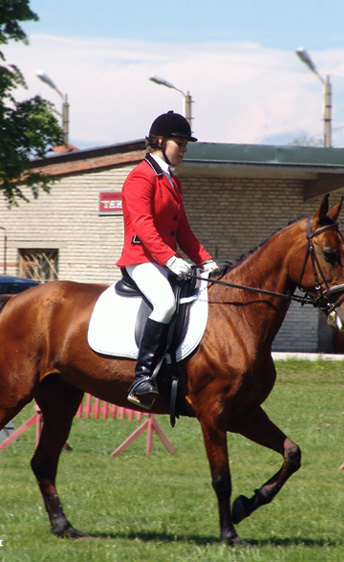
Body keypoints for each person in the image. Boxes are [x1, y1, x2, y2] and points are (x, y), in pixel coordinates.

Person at [116, 111, 220, 409]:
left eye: (186, 144)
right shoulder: (141, 176)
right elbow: (144, 225)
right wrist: (170, 258)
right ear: (160, 141)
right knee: (166, 303)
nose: (184, 149)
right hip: (140, 259)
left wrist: (205, 260)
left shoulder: (171, 180)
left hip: (163, 260)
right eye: (180, 142)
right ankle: (142, 377)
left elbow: (183, 230)